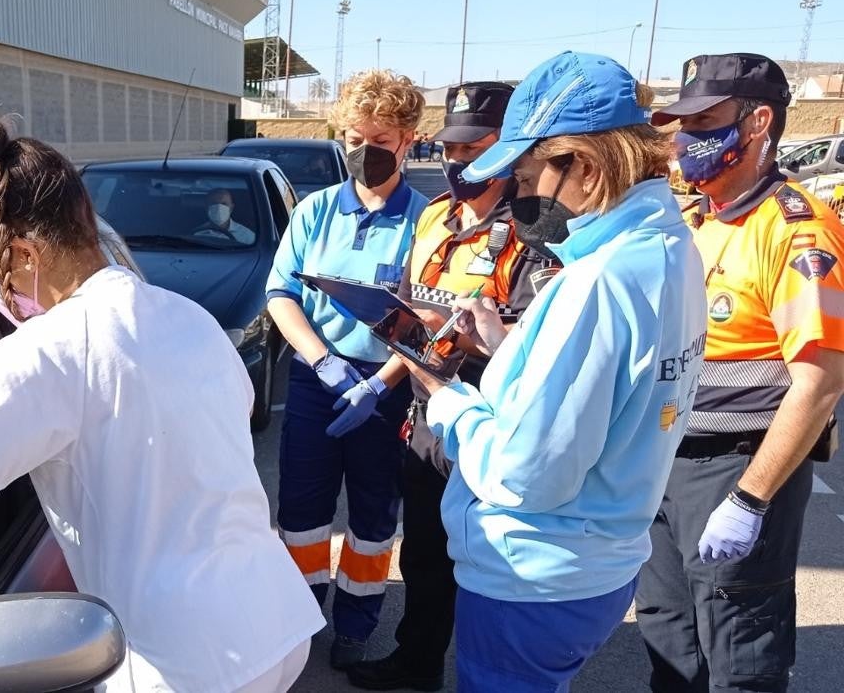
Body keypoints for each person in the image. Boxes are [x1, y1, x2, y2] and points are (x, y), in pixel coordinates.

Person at [0, 118, 323, 693]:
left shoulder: (46, 353)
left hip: (186, 665)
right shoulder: (190, 317)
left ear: (23, 255)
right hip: (274, 620)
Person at [394, 51, 707, 691]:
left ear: (584, 166)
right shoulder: (668, 247)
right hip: (598, 559)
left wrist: (445, 397)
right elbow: (609, 391)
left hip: (533, 576)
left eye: (530, 173)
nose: (523, 192)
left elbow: (526, 473)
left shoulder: (596, 282)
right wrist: (510, 343)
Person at [348, 81, 563, 693]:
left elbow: (538, 341)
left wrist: (466, 336)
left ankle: (486, 676)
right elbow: (414, 302)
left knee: (487, 562)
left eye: (476, 148)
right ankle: (416, 664)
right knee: (423, 553)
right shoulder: (435, 216)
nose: (460, 161)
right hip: (428, 411)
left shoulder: (536, 228)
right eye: (453, 148)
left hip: (493, 414)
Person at [639, 53, 844, 693]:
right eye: (682, 124)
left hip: (736, 468)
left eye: (704, 121)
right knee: (667, 640)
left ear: (757, 123)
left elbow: (820, 382)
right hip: (666, 463)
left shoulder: (798, 231)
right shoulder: (695, 219)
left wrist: (750, 500)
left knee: (739, 658)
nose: (685, 139)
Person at [264, 69, 430, 670]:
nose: (364, 153)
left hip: (388, 388)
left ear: (409, 140)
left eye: (380, 142)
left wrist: (378, 383)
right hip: (318, 380)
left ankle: (356, 626)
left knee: (372, 517)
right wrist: (322, 359)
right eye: (354, 139)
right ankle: (298, 618)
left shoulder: (427, 222)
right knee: (303, 512)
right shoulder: (315, 213)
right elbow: (280, 293)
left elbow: (427, 323)